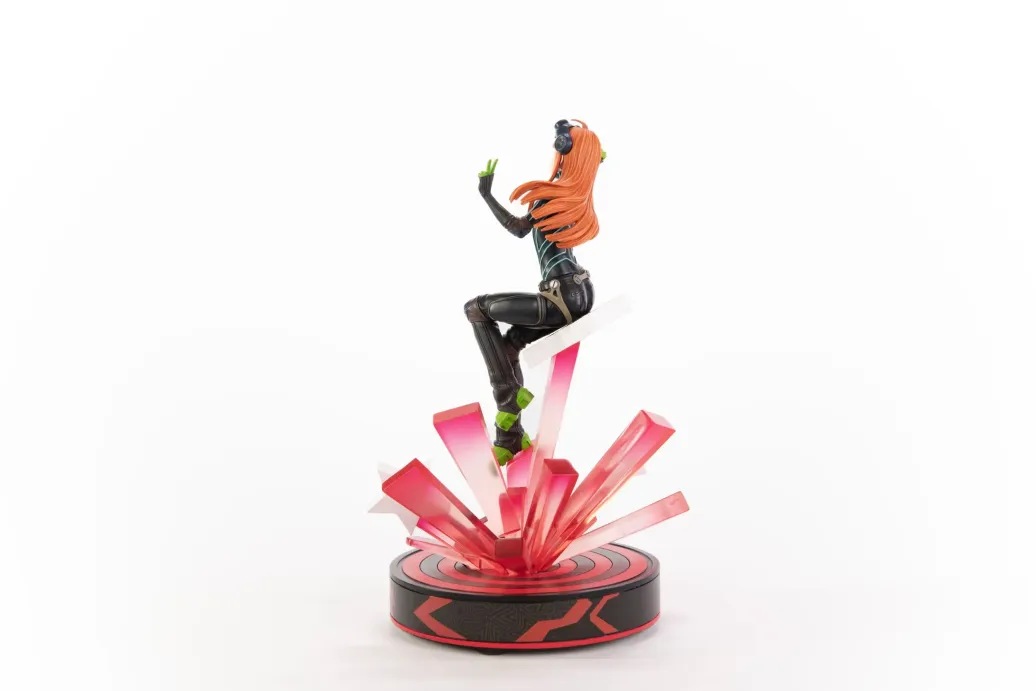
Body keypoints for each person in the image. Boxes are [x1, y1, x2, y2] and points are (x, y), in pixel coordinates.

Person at [466, 119, 605, 465]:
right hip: (580, 293)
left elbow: (517, 229)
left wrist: (486, 195)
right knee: (510, 344)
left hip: (559, 297)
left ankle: (508, 400)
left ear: (564, 151)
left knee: (475, 309)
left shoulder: (553, 194)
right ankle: (510, 438)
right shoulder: (577, 195)